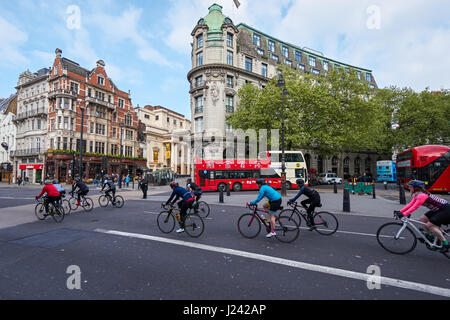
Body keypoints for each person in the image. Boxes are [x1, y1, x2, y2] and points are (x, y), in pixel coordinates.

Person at [396, 180, 450, 252]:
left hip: (445, 210)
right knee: (422, 219)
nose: (409, 188)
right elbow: (410, 205)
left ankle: (445, 244)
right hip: (438, 209)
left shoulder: (421, 195)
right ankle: (431, 236)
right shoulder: (417, 194)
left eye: (410, 187)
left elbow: (415, 207)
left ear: (416, 188)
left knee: (429, 225)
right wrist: (400, 211)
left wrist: (403, 214)